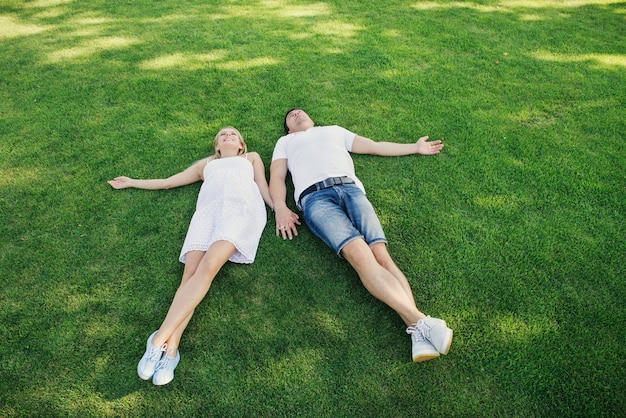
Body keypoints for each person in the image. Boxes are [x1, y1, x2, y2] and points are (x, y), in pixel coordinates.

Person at [269, 109, 453, 362]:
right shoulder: (286, 142)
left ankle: (417, 332)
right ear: (288, 129)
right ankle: (423, 322)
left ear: (312, 118)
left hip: (351, 189)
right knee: (360, 255)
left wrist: (415, 147)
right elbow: (277, 176)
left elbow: (374, 146)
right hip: (316, 199)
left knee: (381, 255)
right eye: (290, 116)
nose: (296, 113)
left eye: (300, 111)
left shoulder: (334, 131)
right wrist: (280, 206)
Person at [109, 127, 286, 385]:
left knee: (209, 267)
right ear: (216, 145)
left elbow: (262, 186)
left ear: (240, 145)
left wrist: (279, 209)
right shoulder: (206, 165)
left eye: (233, 134)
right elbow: (169, 181)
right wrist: (132, 182)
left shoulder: (252, 158)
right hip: (207, 214)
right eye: (223, 134)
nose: (228, 135)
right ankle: (171, 350)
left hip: (240, 211)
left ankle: (157, 340)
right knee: (188, 277)